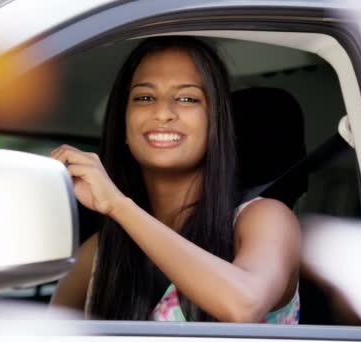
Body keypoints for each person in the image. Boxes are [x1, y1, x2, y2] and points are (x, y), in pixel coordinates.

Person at [50, 36, 301, 323]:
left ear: (215, 122)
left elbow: (244, 305)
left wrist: (118, 205)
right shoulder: (99, 252)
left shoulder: (264, 219)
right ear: (124, 125)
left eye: (187, 98)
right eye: (145, 97)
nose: (162, 113)